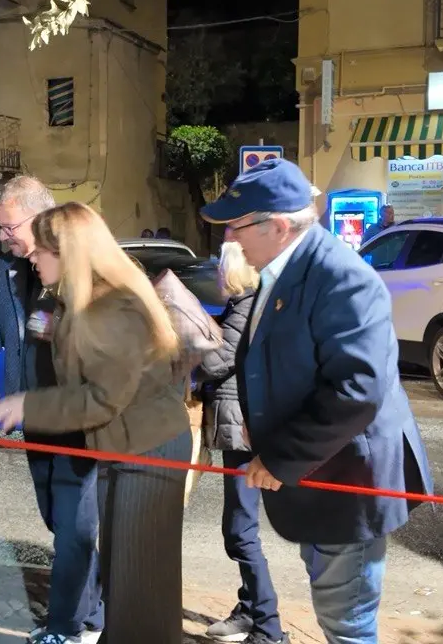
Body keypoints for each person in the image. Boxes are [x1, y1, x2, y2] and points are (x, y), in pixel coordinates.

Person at [198, 158, 433, 644]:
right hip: (323, 472)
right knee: (336, 612)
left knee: (346, 623)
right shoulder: (285, 269)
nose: (230, 240)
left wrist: (280, 457)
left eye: (237, 227)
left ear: (278, 227)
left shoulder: (340, 276)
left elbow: (357, 389)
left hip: (349, 477)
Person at [0, 201, 192, 644]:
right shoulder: (81, 300)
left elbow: (101, 400)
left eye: (41, 250)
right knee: (126, 579)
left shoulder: (109, 308)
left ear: (67, 253)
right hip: (124, 447)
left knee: (139, 584)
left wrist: (28, 406)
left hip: (147, 451)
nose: (32, 258)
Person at [0, 177, 102, 644]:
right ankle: (92, 612)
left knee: (75, 527)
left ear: (41, 219)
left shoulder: (83, 275)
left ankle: (66, 624)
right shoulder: (17, 272)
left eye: (10, 227)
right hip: (36, 418)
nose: (4, 238)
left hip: (77, 421)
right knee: (57, 520)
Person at [195, 242, 283, 644]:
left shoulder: (246, 306)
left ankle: (268, 626)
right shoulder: (246, 304)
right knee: (240, 525)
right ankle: (249, 609)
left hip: (244, 430)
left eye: (220, 264)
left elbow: (216, 361)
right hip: (244, 426)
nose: (216, 270)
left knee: (240, 530)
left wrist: (194, 334)